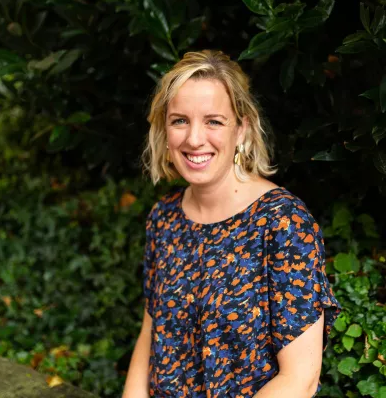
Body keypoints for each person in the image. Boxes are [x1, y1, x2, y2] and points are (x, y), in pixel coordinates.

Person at [122, 50, 342, 398]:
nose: (194, 139)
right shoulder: (163, 219)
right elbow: (151, 332)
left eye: (213, 121)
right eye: (179, 120)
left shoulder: (283, 223)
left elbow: (300, 379)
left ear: (242, 128)